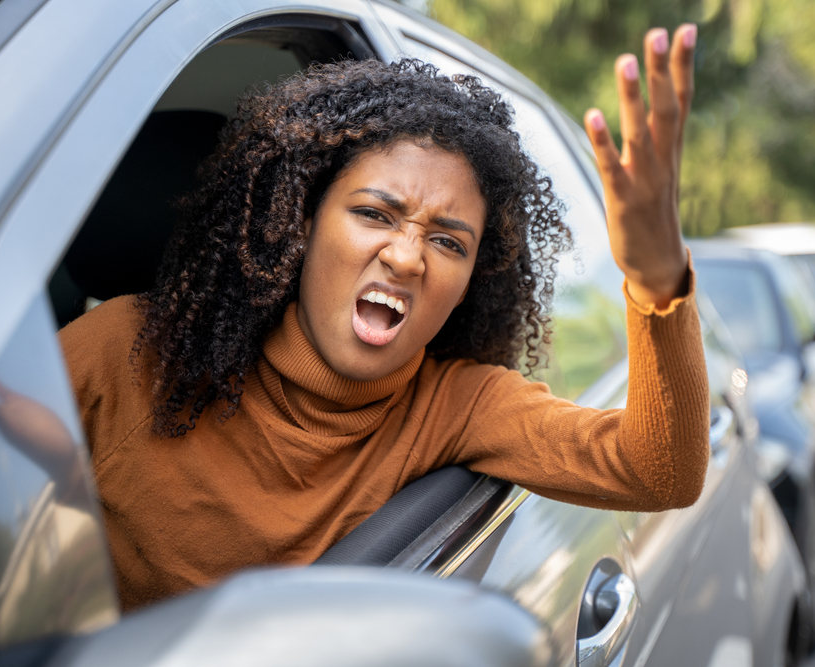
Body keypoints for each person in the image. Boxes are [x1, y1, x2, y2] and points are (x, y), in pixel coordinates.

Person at [57, 24, 709, 611]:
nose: (405, 256)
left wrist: (657, 282)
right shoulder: (127, 349)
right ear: (301, 224)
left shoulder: (455, 407)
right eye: (374, 213)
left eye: (448, 241)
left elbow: (659, 468)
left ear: (467, 286)